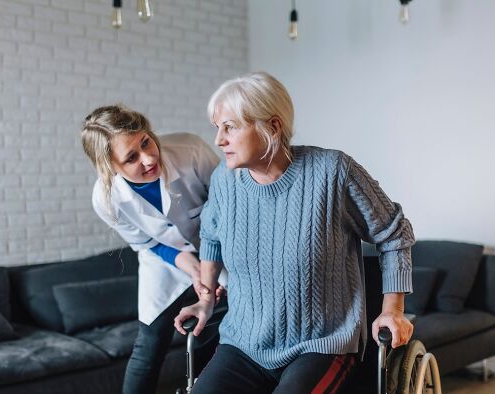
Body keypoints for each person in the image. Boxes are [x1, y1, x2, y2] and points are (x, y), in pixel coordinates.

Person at [174, 72, 415, 394]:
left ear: (271, 126)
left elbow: (394, 233)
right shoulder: (223, 180)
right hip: (244, 343)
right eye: (217, 128)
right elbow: (212, 236)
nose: (219, 140)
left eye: (230, 127)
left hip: (321, 343)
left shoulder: (333, 172)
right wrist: (205, 301)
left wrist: (393, 311)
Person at [81, 104, 223, 394]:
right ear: (110, 167)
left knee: (212, 332)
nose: (148, 158)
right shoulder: (106, 199)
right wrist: (195, 270)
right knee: (149, 343)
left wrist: (209, 270)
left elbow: (228, 209)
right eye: (131, 157)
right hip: (164, 260)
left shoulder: (190, 150)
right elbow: (149, 243)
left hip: (223, 250)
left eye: (146, 141)